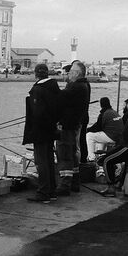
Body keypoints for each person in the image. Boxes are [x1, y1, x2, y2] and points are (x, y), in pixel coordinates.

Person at [22, 63, 61, 203]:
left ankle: (43, 192)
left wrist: (33, 131)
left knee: (41, 161)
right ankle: (52, 191)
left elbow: (37, 114)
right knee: (49, 159)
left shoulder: (37, 90)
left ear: (36, 74)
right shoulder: (54, 87)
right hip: (52, 130)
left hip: (40, 131)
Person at [55, 61, 90, 195]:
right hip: (74, 124)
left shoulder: (76, 87)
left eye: (70, 72)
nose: (68, 74)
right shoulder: (84, 86)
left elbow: (60, 97)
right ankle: (75, 182)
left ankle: (65, 185)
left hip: (67, 125)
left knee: (65, 154)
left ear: (76, 73)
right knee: (73, 154)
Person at [84, 97, 123, 161]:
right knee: (101, 135)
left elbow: (97, 127)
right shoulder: (114, 112)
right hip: (119, 137)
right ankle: (101, 156)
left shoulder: (104, 114)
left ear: (101, 105)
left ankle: (91, 158)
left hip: (112, 137)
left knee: (89, 136)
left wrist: (87, 130)